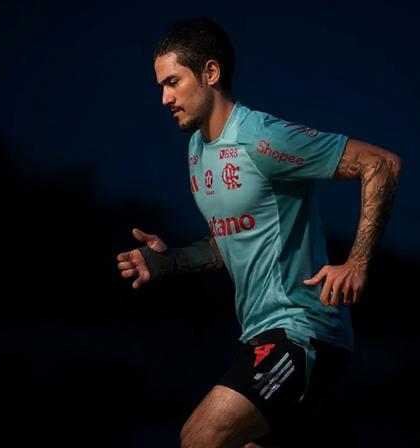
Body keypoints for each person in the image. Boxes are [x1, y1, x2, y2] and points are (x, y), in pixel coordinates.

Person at [116, 17, 401, 447]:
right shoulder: (197, 151)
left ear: (211, 73)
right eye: (161, 86)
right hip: (259, 333)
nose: (164, 98)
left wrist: (357, 262)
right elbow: (228, 242)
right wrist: (170, 261)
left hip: (304, 332)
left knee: (200, 438)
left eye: (173, 82)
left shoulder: (263, 138)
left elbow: (380, 164)